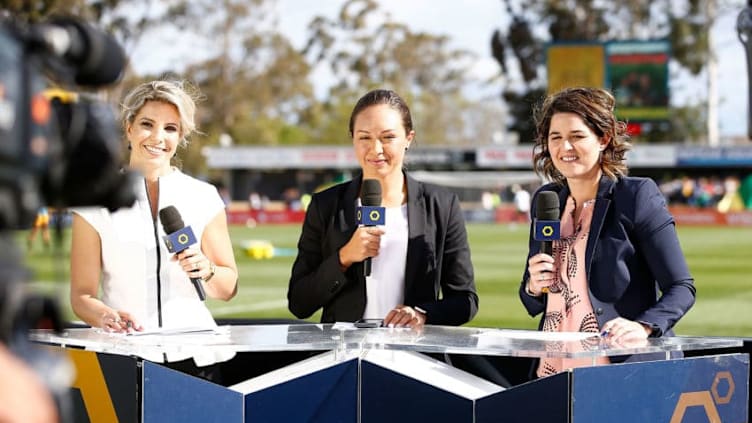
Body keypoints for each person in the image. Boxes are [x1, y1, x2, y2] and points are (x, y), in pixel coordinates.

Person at [520, 87, 696, 378]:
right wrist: (532, 286)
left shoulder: (636, 196)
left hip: (617, 370)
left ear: (603, 139)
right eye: (556, 138)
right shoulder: (547, 200)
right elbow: (532, 298)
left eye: (577, 136)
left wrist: (643, 326)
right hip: (552, 368)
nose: (565, 148)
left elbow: (682, 287)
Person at [70, 80, 238, 379]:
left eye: (171, 128)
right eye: (147, 124)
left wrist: (207, 268)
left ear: (181, 135)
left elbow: (228, 288)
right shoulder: (93, 200)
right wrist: (105, 316)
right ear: (129, 128)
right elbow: (81, 295)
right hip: (122, 356)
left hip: (197, 359)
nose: (158, 137)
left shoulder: (204, 196)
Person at [288, 89, 478, 329]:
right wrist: (344, 257)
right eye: (364, 137)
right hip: (345, 357)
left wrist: (421, 314)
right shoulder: (325, 206)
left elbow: (466, 301)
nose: (375, 149)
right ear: (353, 139)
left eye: (387, 137)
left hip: (413, 358)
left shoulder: (442, 205)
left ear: (408, 138)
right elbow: (299, 303)